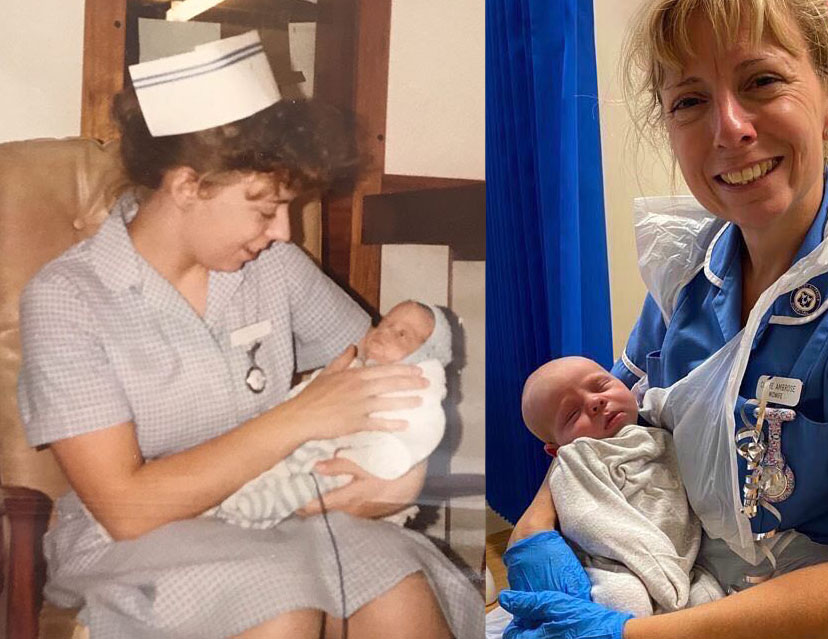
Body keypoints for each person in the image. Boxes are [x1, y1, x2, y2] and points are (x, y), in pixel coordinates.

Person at [499, 1, 828, 638]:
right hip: (686, 597)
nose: (729, 128)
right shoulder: (687, 273)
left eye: (762, 81)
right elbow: (605, 432)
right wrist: (534, 535)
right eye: (689, 100)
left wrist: (626, 635)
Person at [17, 32, 481, 638]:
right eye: (265, 209)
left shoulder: (272, 268)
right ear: (188, 186)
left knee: (397, 592)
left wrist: (399, 479)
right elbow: (125, 508)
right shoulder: (70, 299)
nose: (285, 232)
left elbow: (391, 371)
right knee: (277, 604)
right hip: (136, 538)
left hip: (282, 513)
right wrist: (298, 419)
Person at [209, 300, 453, 529]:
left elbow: (418, 433)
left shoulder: (412, 391)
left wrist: (395, 468)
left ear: (424, 358)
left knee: (309, 484)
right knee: (271, 469)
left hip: (344, 466)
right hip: (298, 445)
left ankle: (249, 509)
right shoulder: (351, 367)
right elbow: (299, 399)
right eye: (383, 323)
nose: (384, 332)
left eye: (402, 334)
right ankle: (232, 503)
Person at [517, 356, 723, 616]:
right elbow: (590, 518)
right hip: (616, 564)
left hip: (683, 564)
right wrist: (655, 566)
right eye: (571, 414)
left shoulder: (662, 434)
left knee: (711, 602)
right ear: (556, 449)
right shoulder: (579, 457)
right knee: (624, 597)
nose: (595, 402)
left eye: (601, 385)